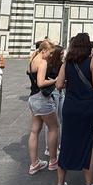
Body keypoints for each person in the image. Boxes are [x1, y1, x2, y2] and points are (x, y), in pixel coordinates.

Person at [53, 33, 93, 185]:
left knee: (66, 143)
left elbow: (58, 85)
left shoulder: (66, 64)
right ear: (87, 46)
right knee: (87, 145)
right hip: (87, 108)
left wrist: (70, 83)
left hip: (70, 108)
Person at [27, 41, 60, 175]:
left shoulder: (32, 60)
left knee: (34, 131)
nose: (51, 56)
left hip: (32, 99)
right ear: (44, 51)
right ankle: (53, 161)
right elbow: (41, 83)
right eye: (50, 53)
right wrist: (55, 80)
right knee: (54, 127)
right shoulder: (43, 62)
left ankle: (34, 164)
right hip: (42, 99)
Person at [44, 44, 65, 158]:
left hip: (61, 92)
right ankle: (49, 148)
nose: (63, 55)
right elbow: (43, 80)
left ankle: (60, 144)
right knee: (52, 122)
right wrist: (56, 80)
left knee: (61, 120)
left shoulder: (62, 65)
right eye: (61, 53)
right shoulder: (48, 65)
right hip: (53, 93)